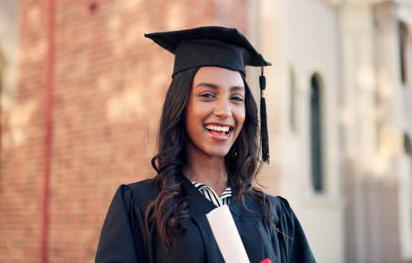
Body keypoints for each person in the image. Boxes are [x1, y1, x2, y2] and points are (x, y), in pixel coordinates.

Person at [95, 26, 316, 263]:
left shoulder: (274, 215)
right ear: (180, 106)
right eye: (208, 95)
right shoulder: (138, 205)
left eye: (236, 98)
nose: (224, 111)